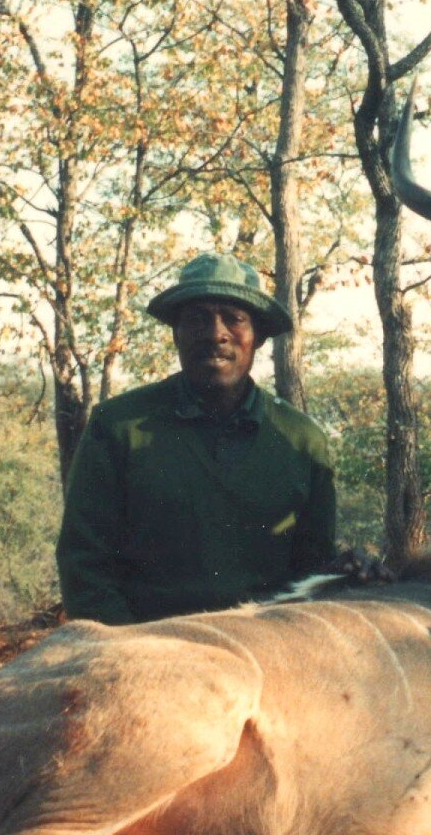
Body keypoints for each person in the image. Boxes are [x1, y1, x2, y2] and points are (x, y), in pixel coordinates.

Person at [57, 254, 337, 624]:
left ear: (259, 337)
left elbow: (314, 570)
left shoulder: (302, 440)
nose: (215, 333)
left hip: (268, 654)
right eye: (197, 319)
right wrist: (125, 648)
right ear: (176, 333)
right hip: (146, 648)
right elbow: (84, 562)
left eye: (234, 319)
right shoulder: (120, 425)